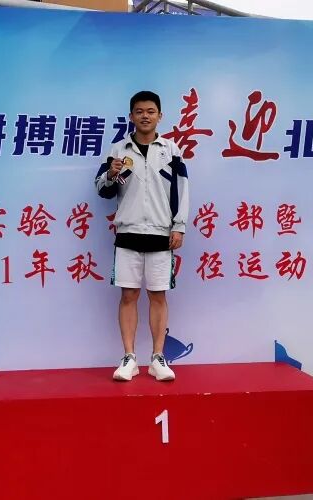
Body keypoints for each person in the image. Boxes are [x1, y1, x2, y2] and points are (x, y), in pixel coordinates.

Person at [95, 91, 189, 382]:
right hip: (128, 233)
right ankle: (129, 358)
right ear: (131, 116)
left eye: (150, 111)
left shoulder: (171, 150)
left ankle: (158, 358)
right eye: (139, 111)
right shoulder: (118, 150)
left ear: (160, 116)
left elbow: (182, 190)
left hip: (161, 233)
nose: (145, 116)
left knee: (158, 295)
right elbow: (103, 190)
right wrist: (110, 175)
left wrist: (179, 226)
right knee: (128, 295)